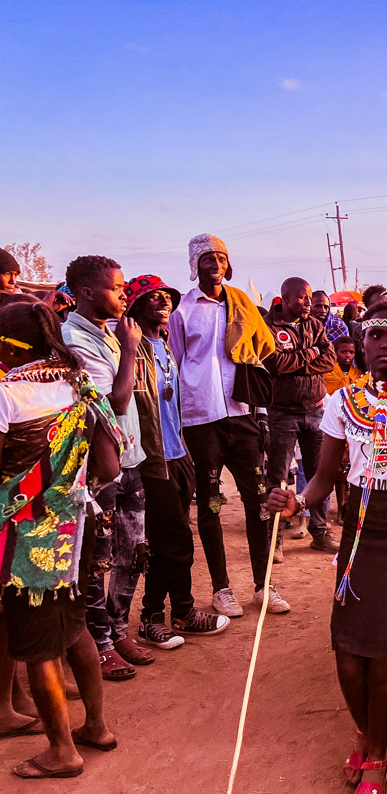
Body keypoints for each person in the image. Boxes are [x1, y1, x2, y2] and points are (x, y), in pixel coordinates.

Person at [267, 300, 387, 794]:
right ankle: (366, 734)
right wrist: (296, 501)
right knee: (348, 654)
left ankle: (377, 755)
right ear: (361, 345)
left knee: (386, 655)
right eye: (376, 336)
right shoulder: (340, 401)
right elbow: (324, 477)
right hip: (361, 530)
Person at [0, 300, 121, 777]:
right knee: (76, 628)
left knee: (37, 646)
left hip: (25, 542)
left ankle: (62, 752)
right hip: (78, 527)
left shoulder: (7, 395)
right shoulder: (84, 387)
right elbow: (110, 467)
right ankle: (98, 726)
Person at [169, 234, 284, 617]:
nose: (215, 264)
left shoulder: (243, 304)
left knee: (259, 502)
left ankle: (263, 585)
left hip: (243, 413)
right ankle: (222, 589)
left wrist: (262, 414)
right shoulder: (182, 311)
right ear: (194, 265)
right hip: (202, 419)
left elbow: (260, 356)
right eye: (207, 259)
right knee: (212, 505)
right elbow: (178, 364)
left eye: (221, 257)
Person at [124, 276, 229, 648]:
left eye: (166, 297)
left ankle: (161, 614)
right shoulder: (133, 350)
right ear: (133, 306)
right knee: (175, 541)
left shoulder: (164, 344)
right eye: (150, 298)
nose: (162, 302)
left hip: (178, 451)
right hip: (153, 459)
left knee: (169, 540)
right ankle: (171, 613)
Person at [60, 256, 152, 680]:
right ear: (84, 293)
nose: (123, 295)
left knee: (133, 550)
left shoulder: (107, 333)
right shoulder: (75, 339)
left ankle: (119, 628)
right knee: (100, 559)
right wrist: (131, 348)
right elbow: (113, 402)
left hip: (128, 457)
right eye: (115, 289)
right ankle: (99, 641)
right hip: (100, 467)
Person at [263, 277, 338, 555]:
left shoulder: (315, 325)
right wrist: (311, 354)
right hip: (282, 413)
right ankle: (275, 539)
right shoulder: (269, 326)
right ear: (284, 298)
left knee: (319, 473)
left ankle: (319, 531)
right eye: (302, 297)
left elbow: (329, 360)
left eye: (309, 297)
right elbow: (274, 363)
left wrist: (297, 360)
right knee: (278, 478)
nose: (308, 302)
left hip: (316, 410)